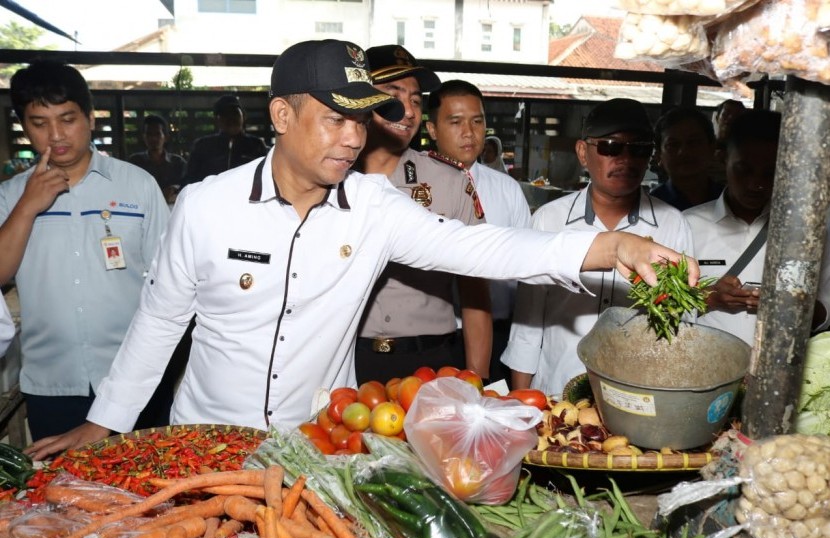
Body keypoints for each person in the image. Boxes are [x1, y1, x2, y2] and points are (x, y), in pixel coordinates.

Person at [25, 40, 698, 460]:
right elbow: (160, 322)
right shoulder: (206, 205)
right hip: (207, 439)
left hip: (315, 442)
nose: (352, 137)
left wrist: (605, 245)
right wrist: (103, 422)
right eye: (334, 117)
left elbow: (479, 249)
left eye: (360, 117)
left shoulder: (374, 207)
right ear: (282, 116)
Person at [0, 60, 170, 441]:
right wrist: (28, 205)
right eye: (39, 123)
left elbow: (170, 282)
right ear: (24, 127)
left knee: (152, 494)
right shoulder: (10, 196)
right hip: (52, 385)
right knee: (64, 497)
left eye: (67, 118)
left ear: (90, 118)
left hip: (134, 380)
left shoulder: (137, 186)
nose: (56, 135)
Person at [502, 98, 695, 398]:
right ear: (583, 152)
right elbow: (528, 323)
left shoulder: (673, 226)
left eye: (639, 149)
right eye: (610, 147)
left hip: (636, 397)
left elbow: (680, 325)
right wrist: (521, 401)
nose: (625, 159)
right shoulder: (549, 221)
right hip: (557, 393)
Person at [354, 45, 491, 382]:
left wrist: (477, 381)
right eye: (393, 94)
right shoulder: (331, 180)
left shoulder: (449, 182)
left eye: (416, 100)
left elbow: (475, 293)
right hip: (348, 360)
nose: (409, 110)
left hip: (432, 362)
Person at [684, 109, 830, 346]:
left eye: (770, 173)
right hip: (703, 373)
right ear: (722, 159)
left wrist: (788, 306)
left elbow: (825, 313)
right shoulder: (687, 224)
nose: (756, 184)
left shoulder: (813, 230)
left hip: (782, 377)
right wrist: (711, 298)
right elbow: (661, 306)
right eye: (744, 170)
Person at [426, 79, 531, 388]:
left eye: (477, 121)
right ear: (432, 130)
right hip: (438, 342)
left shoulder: (507, 189)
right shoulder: (415, 189)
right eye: (455, 122)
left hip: (501, 336)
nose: (469, 132)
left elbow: (527, 270)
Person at [181, 94, 268, 186]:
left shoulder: (256, 145)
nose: (231, 118)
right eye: (225, 115)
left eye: (235, 113)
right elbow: (189, 180)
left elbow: (266, 177)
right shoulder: (203, 146)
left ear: (244, 116)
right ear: (216, 120)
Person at [650, 106, 723, 210]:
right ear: (658, 156)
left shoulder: (732, 202)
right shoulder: (650, 207)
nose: (684, 152)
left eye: (694, 142)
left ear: (712, 148)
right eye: (673, 145)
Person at [128, 114, 187, 204]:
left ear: (166, 137)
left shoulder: (178, 162)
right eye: (149, 134)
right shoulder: (135, 162)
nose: (153, 138)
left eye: (157, 134)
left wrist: (174, 188)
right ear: (144, 137)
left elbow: (187, 186)